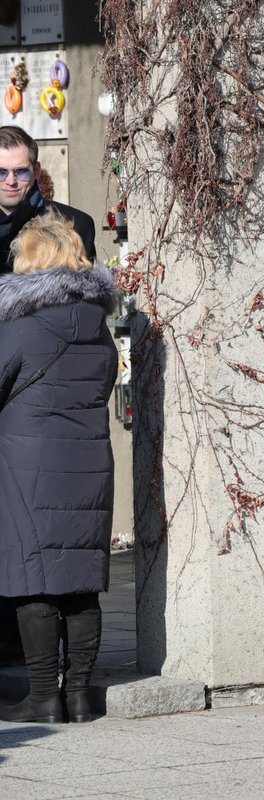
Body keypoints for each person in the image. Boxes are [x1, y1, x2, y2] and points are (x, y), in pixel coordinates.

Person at [0, 212, 118, 723]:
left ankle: (44, 696)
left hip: (29, 466)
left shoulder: (21, 328)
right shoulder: (99, 329)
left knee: (35, 579)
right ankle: (80, 696)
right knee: (80, 579)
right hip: (90, 461)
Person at [0, 126, 96, 272]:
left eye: (21, 172)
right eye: (1, 172)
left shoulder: (77, 224)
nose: (11, 181)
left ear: (37, 171)